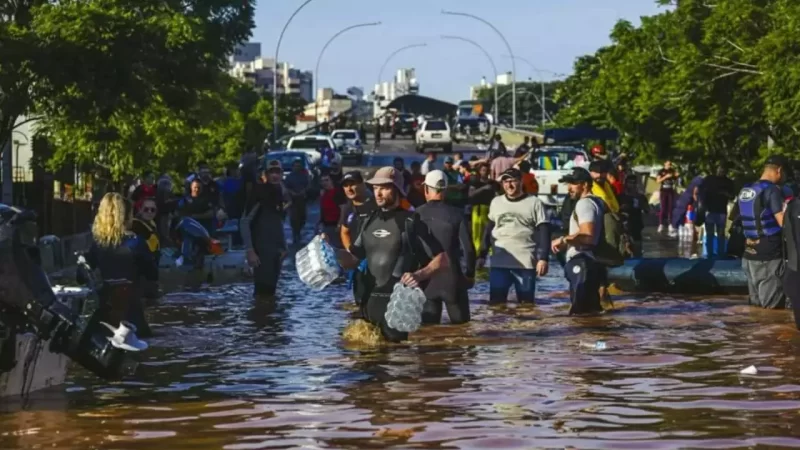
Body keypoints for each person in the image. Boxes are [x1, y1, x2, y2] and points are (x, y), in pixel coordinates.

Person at [333, 167, 449, 342]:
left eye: (384, 188)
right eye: (375, 188)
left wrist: (419, 275)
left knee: (396, 361)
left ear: (397, 190)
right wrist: (331, 252)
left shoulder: (410, 221)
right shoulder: (368, 221)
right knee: (365, 361)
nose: (378, 193)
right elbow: (353, 259)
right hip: (368, 302)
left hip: (396, 306)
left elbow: (443, 260)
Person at [87, 193, 157, 337]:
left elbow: (81, 276)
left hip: (106, 315)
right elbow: (153, 275)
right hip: (133, 315)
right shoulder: (137, 243)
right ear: (126, 216)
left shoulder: (97, 244)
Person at [478, 168, 550, 305]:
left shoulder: (535, 202)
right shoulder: (496, 202)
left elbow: (544, 231)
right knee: (496, 306)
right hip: (499, 262)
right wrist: (482, 255)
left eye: (513, 181)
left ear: (521, 181)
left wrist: (543, 258)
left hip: (525, 263)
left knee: (526, 305)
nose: (509, 185)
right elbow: (489, 229)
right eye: (506, 181)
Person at [416, 170, 476, 325]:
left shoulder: (417, 214)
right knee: (463, 332)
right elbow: (469, 249)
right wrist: (469, 275)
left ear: (426, 189)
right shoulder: (457, 214)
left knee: (429, 335)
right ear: (446, 190)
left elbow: (409, 249)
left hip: (427, 280)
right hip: (453, 279)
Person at [733, 155, 788, 309]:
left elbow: (735, 219)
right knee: (772, 308)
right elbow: (782, 221)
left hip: (749, 254)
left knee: (756, 307)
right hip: (768, 255)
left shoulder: (746, 189)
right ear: (779, 170)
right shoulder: (772, 190)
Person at [550, 168, 605, 315]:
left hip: (582, 261)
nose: (569, 188)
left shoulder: (584, 204)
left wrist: (562, 240)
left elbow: (587, 236)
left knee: (578, 313)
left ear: (585, 184)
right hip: (592, 261)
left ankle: (581, 338)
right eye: (568, 183)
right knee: (592, 313)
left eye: (573, 183)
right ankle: (594, 337)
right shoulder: (598, 202)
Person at [241, 160, 289, 298]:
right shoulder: (258, 192)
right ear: (265, 175)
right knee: (262, 293)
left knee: (272, 292)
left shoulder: (279, 191)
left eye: (278, 172)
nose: (275, 176)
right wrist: (250, 250)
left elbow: (278, 222)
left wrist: (284, 246)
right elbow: (244, 222)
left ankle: (269, 319)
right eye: (271, 172)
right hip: (261, 251)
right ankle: (259, 319)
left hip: (276, 251)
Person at [697, 166, 735, 257]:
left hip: (721, 210)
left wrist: (724, 193)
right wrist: (701, 205)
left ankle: (720, 253)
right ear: (716, 170)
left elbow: (732, 196)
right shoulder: (709, 179)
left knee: (721, 233)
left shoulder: (728, 182)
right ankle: (709, 253)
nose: (721, 171)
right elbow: (701, 192)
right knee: (709, 232)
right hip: (709, 210)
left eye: (723, 170)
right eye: (719, 169)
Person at [617, 176, 649, 257]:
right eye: (630, 182)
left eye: (634, 183)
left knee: (637, 247)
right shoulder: (621, 196)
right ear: (626, 184)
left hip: (637, 223)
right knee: (625, 247)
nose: (632, 185)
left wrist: (642, 205)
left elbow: (647, 210)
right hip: (625, 224)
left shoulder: (641, 197)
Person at [469, 163, 496, 255]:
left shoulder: (492, 183)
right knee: (477, 233)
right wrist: (483, 188)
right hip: (478, 209)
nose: (485, 172)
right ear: (480, 171)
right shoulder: (476, 182)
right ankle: (477, 252)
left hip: (490, 209)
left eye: (487, 170)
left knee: (489, 231)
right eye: (483, 170)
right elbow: (471, 194)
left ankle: (489, 251)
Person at [284, 158, 311, 245]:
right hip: (293, 201)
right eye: (295, 166)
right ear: (292, 167)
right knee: (294, 218)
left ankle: (299, 230)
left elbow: (308, 185)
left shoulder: (304, 176)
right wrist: (291, 192)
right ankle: (295, 234)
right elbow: (285, 187)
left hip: (302, 200)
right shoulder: (289, 177)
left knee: (302, 217)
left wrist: (304, 191)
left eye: (298, 166)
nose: (297, 168)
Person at [318, 173, 342, 248]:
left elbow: (343, 209)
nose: (324, 182)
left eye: (326, 180)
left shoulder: (337, 192)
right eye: (322, 181)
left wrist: (340, 224)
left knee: (336, 246)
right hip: (326, 224)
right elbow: (323, 209)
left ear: (331, 181)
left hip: (335, 224)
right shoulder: (323, 193)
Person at [656, 161, 679, 234]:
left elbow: (676, 178)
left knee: (670, 208)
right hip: (663, 191)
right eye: (668, 164)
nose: (669, 165)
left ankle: (670, 224)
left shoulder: (672, 171)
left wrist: (677, 176)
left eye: (670, 164)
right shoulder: (661, 171)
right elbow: (658, 181)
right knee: (663, 208)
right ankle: (661, 224)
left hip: (670, 191)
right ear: (665, 164)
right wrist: (665, 177)